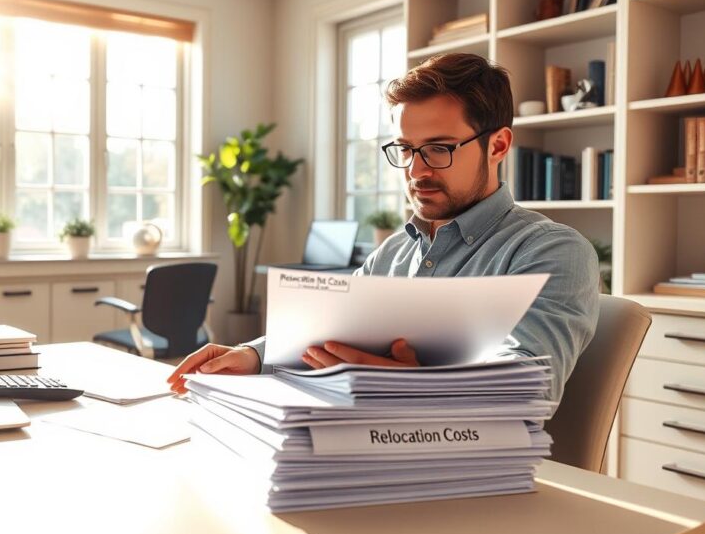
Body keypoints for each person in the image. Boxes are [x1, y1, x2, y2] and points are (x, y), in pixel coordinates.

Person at [168, 52, 600, 402]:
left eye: (437, 149)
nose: (416, 171)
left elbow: (526, 387)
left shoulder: (551, 251)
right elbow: (326, 333)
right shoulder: (395, 250)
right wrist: (251, 356)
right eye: (405, 149)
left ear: (498, 145)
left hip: (473, 477)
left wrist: (408, 384)